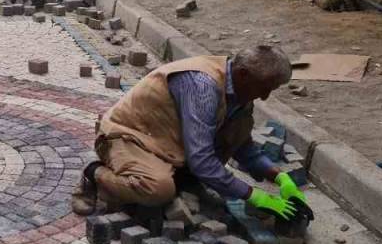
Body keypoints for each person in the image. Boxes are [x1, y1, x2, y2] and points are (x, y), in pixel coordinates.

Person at [71, 46, 311, 223]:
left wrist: (279, 178)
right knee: (158, 190)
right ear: (244, 74)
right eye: (264, 87)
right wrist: (253, 196)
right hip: (128, 136)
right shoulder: (203, 86)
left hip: (167, 143)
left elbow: (243, 146)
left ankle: (181, 179)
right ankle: (94, 175)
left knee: (232, 135)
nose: (265, 97)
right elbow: (202, 160)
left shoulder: (240, 91)